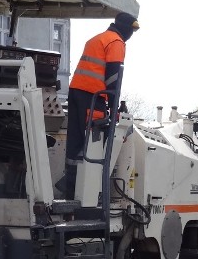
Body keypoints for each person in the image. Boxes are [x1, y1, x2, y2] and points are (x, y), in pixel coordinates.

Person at [56, 12, 140, 199]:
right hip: (93, 96)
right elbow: (113, 78)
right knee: (96, 141)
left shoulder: (96, 39)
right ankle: (90, 192)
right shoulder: (116, 42)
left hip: (76, 93)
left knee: (76, 140)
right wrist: (113, 108)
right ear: (126, 29)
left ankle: (70, 188)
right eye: (132, 31)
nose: (131, 36)